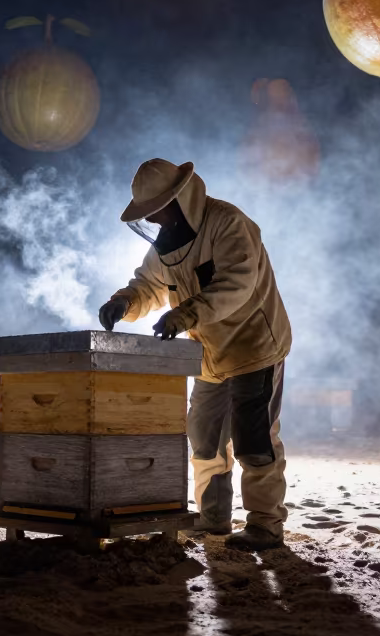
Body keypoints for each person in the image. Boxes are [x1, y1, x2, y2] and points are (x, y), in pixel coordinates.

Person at [99, 159, 293, 551]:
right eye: (147, 215)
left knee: (254, 442)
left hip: (253, 347)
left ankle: (266, 525)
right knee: (203, 439)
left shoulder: (228, 224)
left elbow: (237, 283)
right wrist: (124, 301)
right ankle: (213, 519)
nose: (152, 221)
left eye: (156, 211)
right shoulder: (168, 242)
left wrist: (185, 313)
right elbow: (149, 285)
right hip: (206, 355)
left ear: (178, 199)